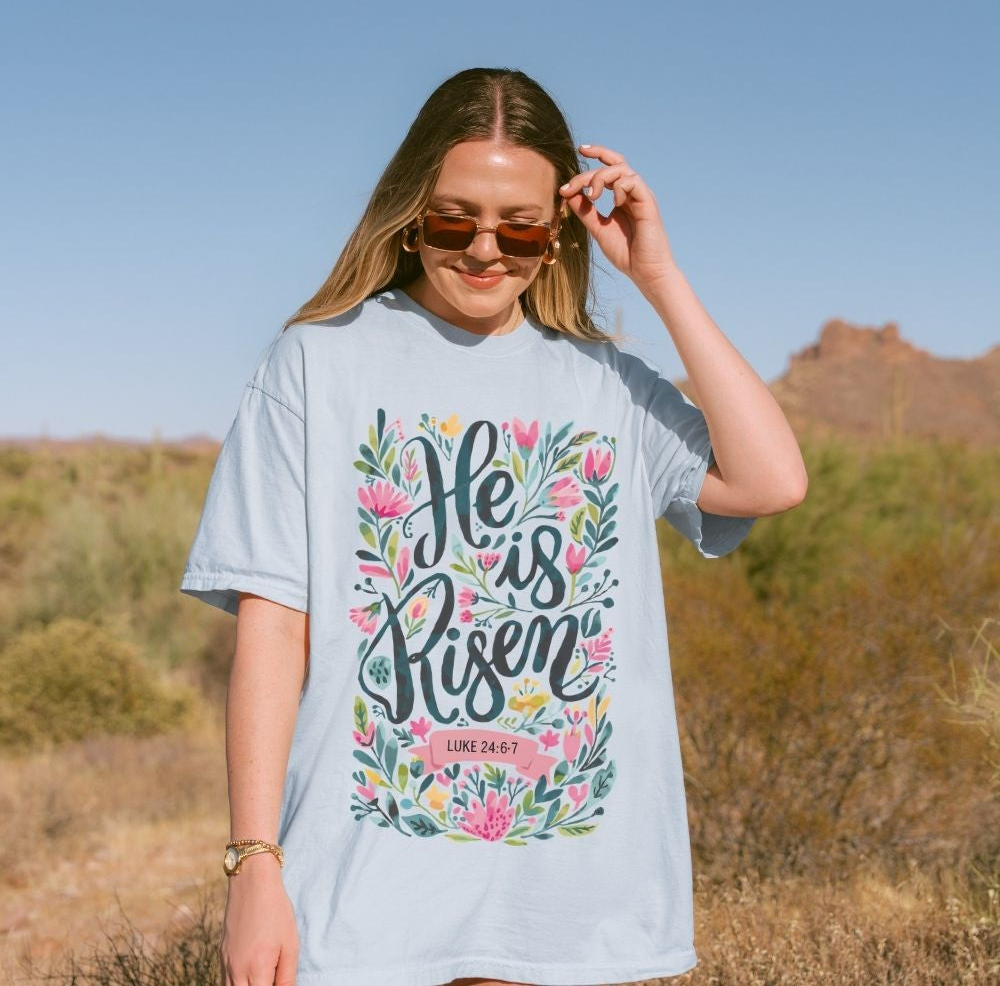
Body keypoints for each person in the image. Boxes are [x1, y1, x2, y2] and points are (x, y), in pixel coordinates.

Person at [179, 66, 807, 986]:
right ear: (408, 215)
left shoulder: (606, 385)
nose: (484, 250)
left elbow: (770, 481)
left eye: (518, 224)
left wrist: (659, 277)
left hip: (572, 899)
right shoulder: (318, 363)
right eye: (452, 218)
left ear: (557, 233)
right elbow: (275, 626)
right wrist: (254, 865)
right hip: (368, 890)